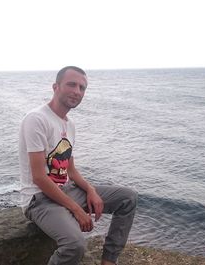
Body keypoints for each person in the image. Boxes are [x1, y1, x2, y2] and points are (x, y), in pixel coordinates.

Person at [18, 66, 138, 265]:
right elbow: (39, 177)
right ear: (56, 87)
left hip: (65, 190)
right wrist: (76, 209)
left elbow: (70, 169)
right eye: (72, 84)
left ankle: (108, 261)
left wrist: (90, 190)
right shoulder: (36, 119)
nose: (77, 91)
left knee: (127, 198)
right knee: (75, 245)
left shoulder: (69, 124)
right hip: (39, 199)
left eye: (82, 88)